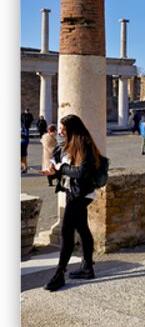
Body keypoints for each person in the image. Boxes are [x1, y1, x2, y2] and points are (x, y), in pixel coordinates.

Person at [39, 114, 104, 291]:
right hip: (71, 190)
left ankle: (59, 273)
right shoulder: (66, 145)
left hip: (81, 193)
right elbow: (62, 167)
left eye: (63, 129)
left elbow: (82, 172)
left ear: (72, 129)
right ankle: (87, 267)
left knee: (67, 230)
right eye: (60, 129)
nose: (60, 132)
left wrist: (61, 168)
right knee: (82, 227)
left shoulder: (84, 144)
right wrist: (52, 172)